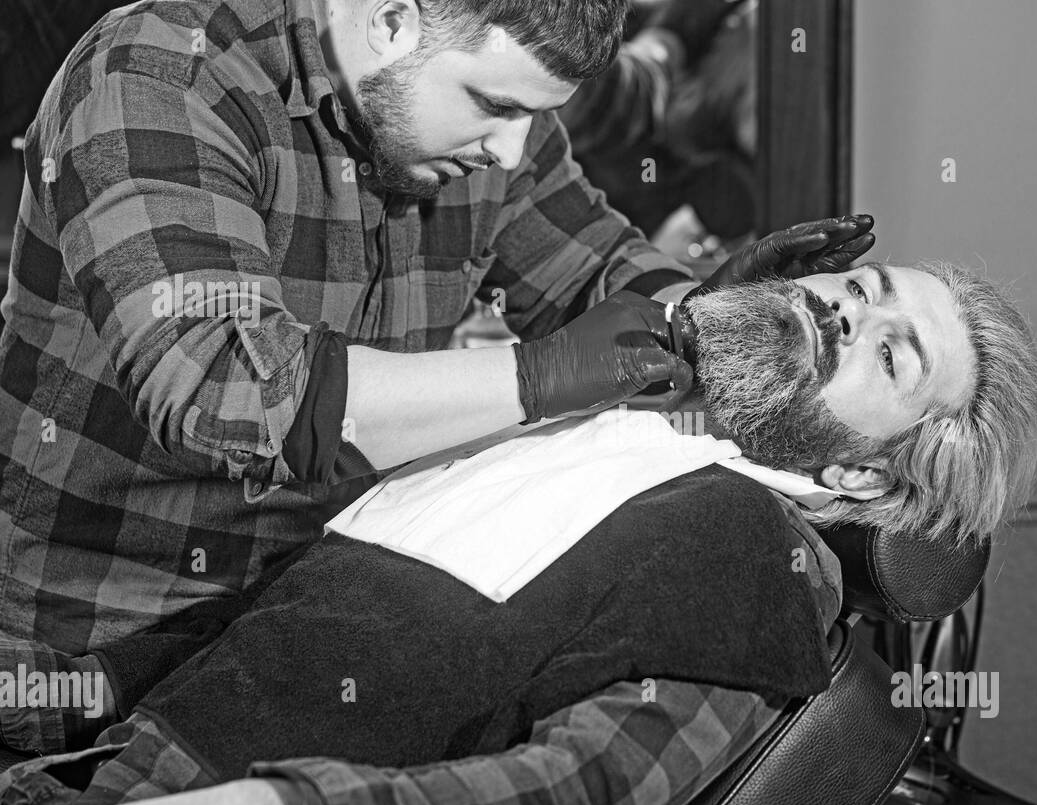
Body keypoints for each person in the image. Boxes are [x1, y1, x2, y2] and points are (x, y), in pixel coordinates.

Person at [0, 0, 876, 755]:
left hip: (284, 647)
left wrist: (705, 319)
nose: (511, 150)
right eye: (494, 106)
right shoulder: (160, 74)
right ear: (390, 20)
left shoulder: (494, 132)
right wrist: (541, 377)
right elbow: (230, 391)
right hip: (78, 659)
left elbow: (598, 269)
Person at [0, 258, 1037, 805]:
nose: (844, 308)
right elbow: (269, 635)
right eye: (861, 288)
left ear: (868, 483)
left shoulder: (752, 563)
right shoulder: (605, 413)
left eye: (887, 352)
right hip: (81, 780)